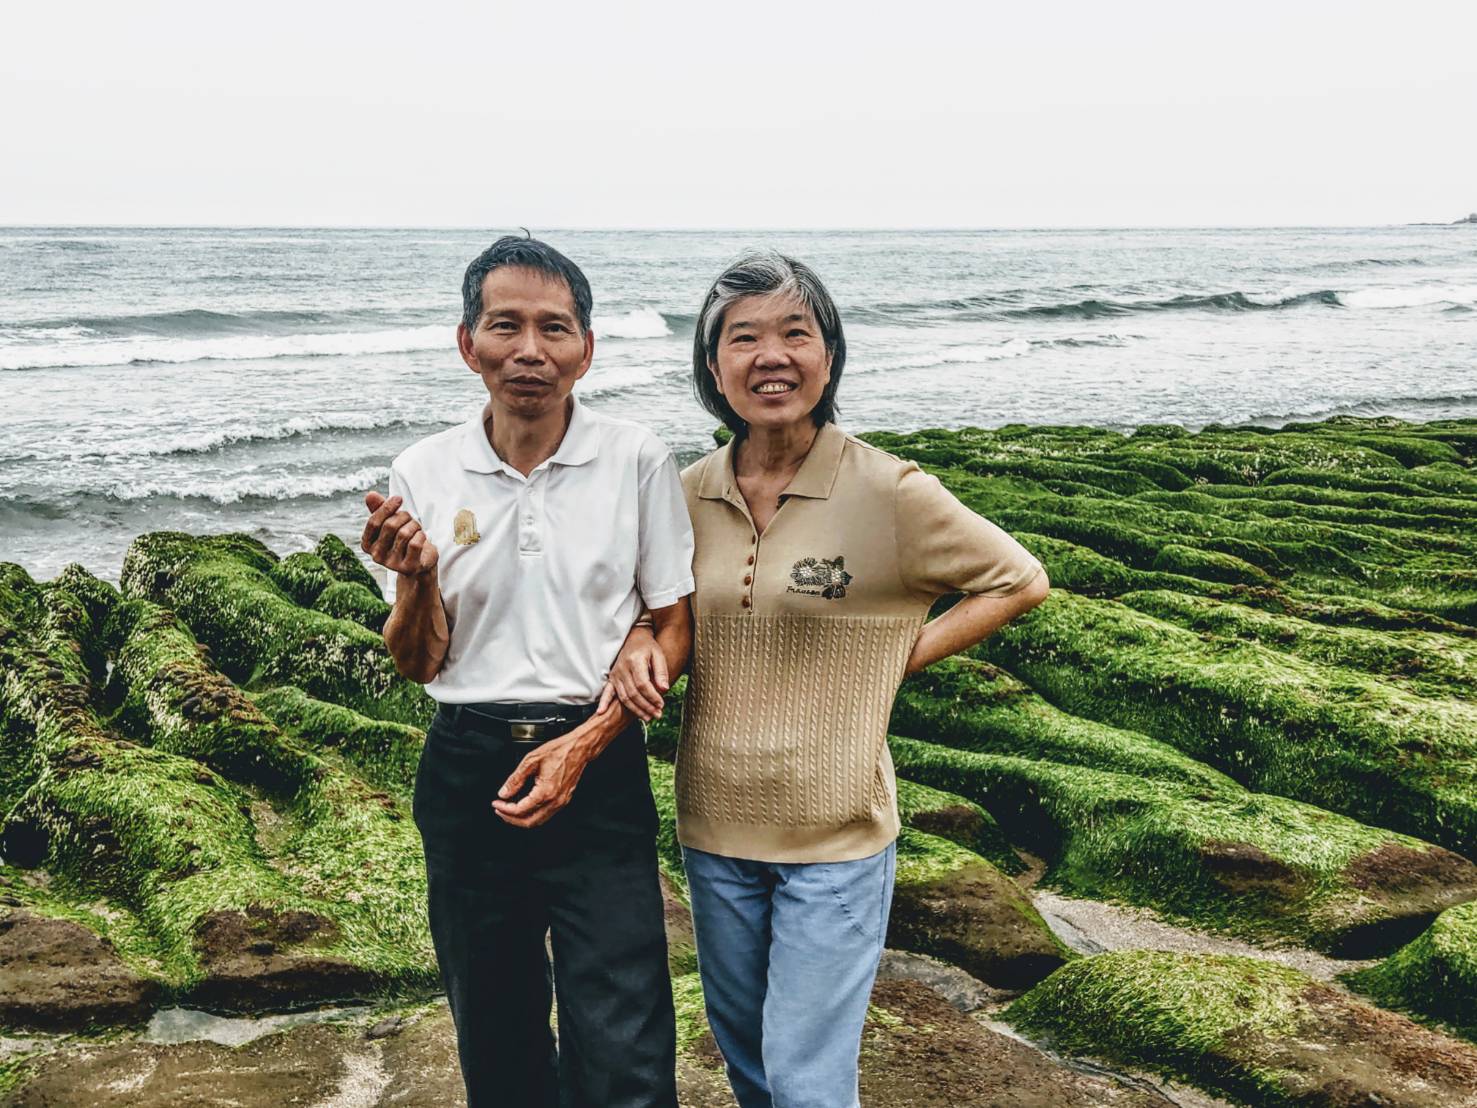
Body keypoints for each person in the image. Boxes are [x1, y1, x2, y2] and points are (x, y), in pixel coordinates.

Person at [604, 250, 1050, 1108]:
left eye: (793, 333)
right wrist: (633, 641)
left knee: (808, 1080)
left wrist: (895, 656)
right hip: (714, 828)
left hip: (836, 837)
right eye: (743, 338)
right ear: (712, 367)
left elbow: (1017, 579)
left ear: (829, 355)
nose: (770, 356)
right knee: (749, 1064)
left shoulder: (888, 491)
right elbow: (657, 617)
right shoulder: (683, 492)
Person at [361, 234, 694, 1108]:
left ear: (587, 349)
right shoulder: (422, 470)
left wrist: (587, 741)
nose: (530, 350)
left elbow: (671, 622)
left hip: (598, 764)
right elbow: (417, 661)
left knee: (623, 1028)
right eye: (505, 325)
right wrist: (415, 578)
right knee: (495, 1022)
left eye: (555, 328)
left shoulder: (636, 458)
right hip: (468, 767)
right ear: (467, 344)